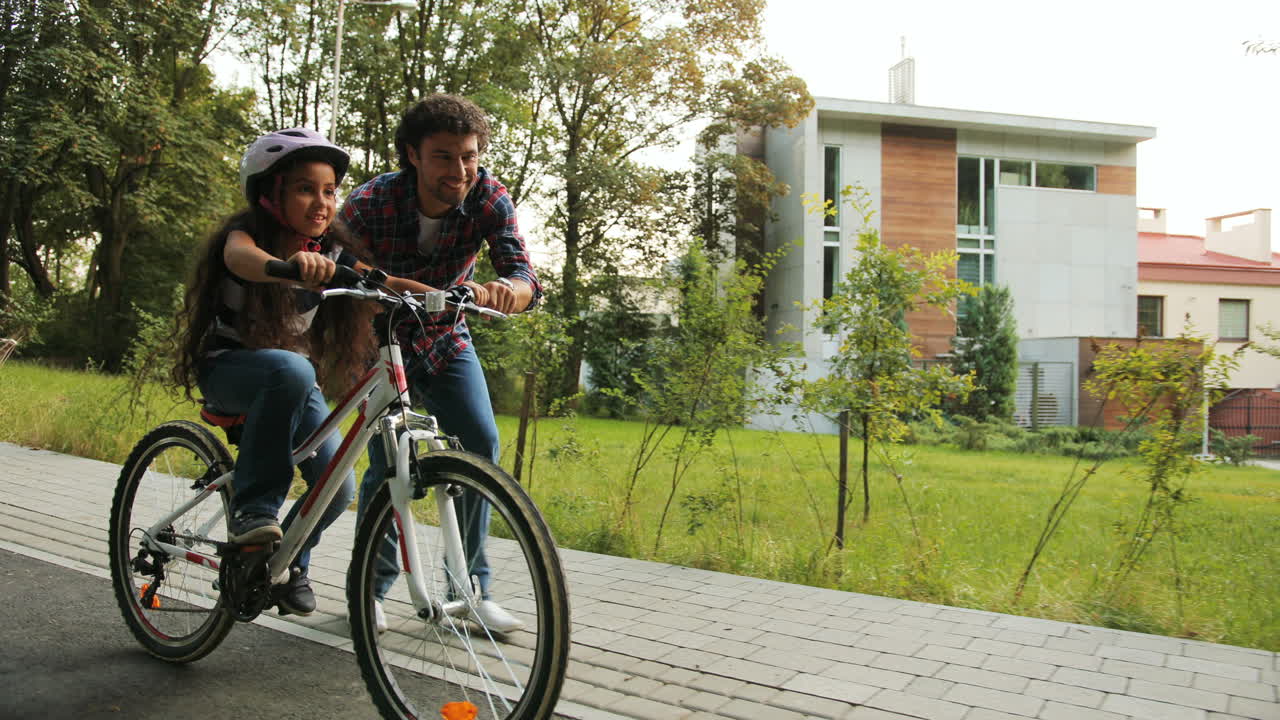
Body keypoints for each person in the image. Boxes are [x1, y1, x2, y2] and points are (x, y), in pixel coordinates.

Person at [341, 94, 541, 633]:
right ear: (413, 154)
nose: (460, 170)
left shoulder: (490, 197)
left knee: (479, 443)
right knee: (390, 464)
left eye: (470, 156)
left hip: (444, 337)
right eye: (444, 157)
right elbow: (335, 260)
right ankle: (370, 591)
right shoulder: (371, 201)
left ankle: (469, 592)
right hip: (377, 338)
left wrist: (508, 291)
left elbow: (524, 275)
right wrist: (397, 286)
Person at [172, 128, 377, 616]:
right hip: (230, 371)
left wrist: (452, 296)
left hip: (291, 380)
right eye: (305, 188)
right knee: (290, 367)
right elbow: (243, 260)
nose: (322, 202)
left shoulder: (331, 252)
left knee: (338, 485)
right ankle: (254, 511)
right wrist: (287, 266)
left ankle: (284, 567)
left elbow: (383, 280)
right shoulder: (244, 238)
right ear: (268, 195)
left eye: (329, 191)